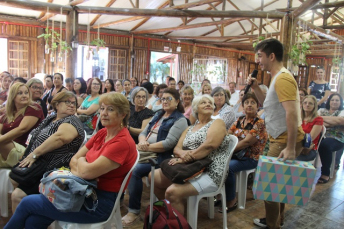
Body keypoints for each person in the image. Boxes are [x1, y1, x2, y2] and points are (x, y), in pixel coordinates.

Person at [4, 93, 137, 229]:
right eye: (102, 108)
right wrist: (83, 166)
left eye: (110, 109)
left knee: (27, 203)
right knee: (34, 220)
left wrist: (82, 164)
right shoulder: (103, 133)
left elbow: (85, 171)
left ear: (123, 114)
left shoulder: (121, 143)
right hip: (81, 191)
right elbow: (75, 159)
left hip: (98, 203)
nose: (104, 113)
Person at [247, 38, 304, 229]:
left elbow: (292, 113)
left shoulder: (283, 78)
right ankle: (277, 221)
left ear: (271, 56)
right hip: (279, 138)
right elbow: (270, 106)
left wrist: (289, 148)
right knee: (278, 187)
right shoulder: (277, 76)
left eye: (260, 56)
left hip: (284, 139)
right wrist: (255, 88)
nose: (258, 61)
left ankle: (273, 225)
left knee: (269, 189)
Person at [152, 94, 230, 215]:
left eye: (210, 103)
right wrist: (183, 154)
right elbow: (176, 148)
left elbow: (210, 145)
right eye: (203, 102)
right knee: (153, 177)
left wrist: (186, 159)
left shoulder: (217, 123)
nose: (208, 104)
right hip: (189, 168)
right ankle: (170, 212)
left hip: (210, 170)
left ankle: (177, 222)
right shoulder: (190, 128)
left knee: (172, 192)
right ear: (195, 108)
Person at [122, 88, 188, 227]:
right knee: (122, 163)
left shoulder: (180, 120)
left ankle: (133, 211)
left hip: (160, 158)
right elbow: (143, 132)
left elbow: (168, 144)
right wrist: (141, 142)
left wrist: (146, 147)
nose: (164, 101)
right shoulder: (159, 114)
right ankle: (117, 200)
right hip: (146, 151)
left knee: (135, 170)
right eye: (163, 99)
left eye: (168, 99)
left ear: (177, 101)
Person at [10, 91, 85, 212]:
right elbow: (34, 138)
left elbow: (61, 137)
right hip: (40, 165)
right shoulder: (51, 118)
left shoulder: (72, 121)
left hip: (53, 169)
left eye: (74, 103)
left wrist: (34, 155)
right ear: (56, 104)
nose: (71, 105)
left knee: (17, 196)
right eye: (67, 102)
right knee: (14, 177)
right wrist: (27, 155)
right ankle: (31, 216)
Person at [220, 93, 267, 213]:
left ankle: (231, 201)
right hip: (236, 155)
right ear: (243, 105)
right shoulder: (240, 120)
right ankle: (222, 195)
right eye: (247, 102)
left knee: (228, 168)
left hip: (251, 158)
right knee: (218, 162)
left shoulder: (259, 123)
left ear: (258, 106)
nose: (249, 105)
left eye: (253, 102)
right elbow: (228, 134)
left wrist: (227, 150)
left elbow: (246, 143)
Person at [0, 83, 44, 168]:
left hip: (26, 151)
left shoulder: (34, 108)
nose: (24, 96)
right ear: (12, 96)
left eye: (26, 93)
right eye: (20, 93)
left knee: (3, 142)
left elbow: (22, 129)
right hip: (7, 149)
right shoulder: (8, 113)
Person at [317, 93, 344, 183]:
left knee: (325, 145)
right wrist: (334, 121)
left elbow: (340, 121)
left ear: (341, 102)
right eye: (332, 100)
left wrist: (321, 119)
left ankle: (325, 173)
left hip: (337, 138)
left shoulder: (342, 111)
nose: (334, 102)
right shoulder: (321, 110)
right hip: (320, 135)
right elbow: (315, 121)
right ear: (329, 101)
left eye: (337, 100)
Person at [296, 95, 323, 162]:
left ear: (314, 106)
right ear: (302, 105)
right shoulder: (298, 117)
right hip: (295, 146)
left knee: (292, 160)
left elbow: (309, 138)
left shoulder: (318, 119)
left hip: (308, 149)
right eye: (305, 103)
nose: (307, 105)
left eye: (310, 103)